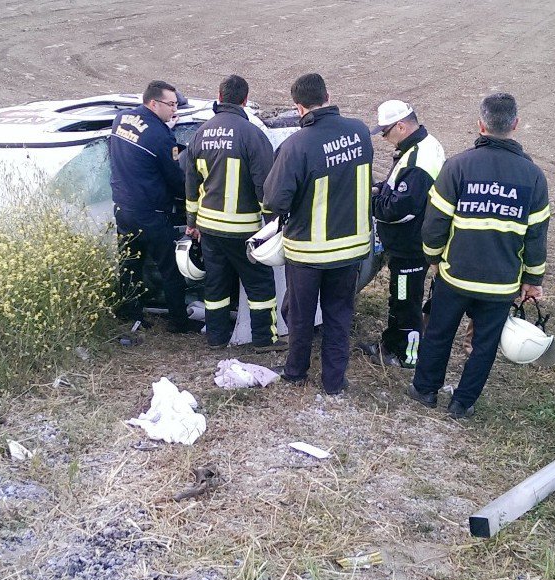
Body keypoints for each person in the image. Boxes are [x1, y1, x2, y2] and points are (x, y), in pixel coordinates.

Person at [408, 93, 550, 418]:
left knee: (439, 333)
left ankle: (425, 390)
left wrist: (433, 257)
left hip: (455, 275)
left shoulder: (457, 166)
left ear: (481, 125)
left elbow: (435, 224)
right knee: (485, 347)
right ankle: (462, 403)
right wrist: (532, 279)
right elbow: (537, 234)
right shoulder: (534, 178)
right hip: (500, 285)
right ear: (514, 125)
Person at [263, 73, 374, 395]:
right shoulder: (359, 132)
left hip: (308, 251)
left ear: (299, 108)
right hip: (351, 248)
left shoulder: (297, 144)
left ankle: (296, 372)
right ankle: (334, 382)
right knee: (339, 316)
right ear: (328, 96)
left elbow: (274, 200)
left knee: (300, 315)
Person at [182, 74, 286, 353]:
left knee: (216, 285)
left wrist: (192, 224)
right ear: (244, 100)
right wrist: (271, 227)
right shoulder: (253, 135)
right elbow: (265, 187)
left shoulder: (201, 134)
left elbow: (191, 185)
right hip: (244, 229)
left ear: (219, 96)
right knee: (260, 286)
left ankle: (216, 338)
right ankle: (264, 340)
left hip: (209, 228)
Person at [109, 80, 201, 334]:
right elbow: (174, 179)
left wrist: (163, 126)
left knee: (130, 263)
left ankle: (131, 312)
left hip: (124, 208)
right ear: (153, 103)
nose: (174, 109)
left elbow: (140, 140)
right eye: (170, 104)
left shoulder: (121, 118)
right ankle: (179, 322)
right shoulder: (161, 137)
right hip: (151, 213)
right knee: (170, 268)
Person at [365, 99, 446, 368]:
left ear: (401, 126)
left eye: (385, 132)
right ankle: (389, 344)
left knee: (405, 300)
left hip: (410, 247)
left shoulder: (418, 159)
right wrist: (382, 189)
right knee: (400, 297)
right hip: (413, 241)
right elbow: (399, 188)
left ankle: (406, 355)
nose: (384, 138)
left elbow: (400, 208)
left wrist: (369, 202)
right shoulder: (421, 146)